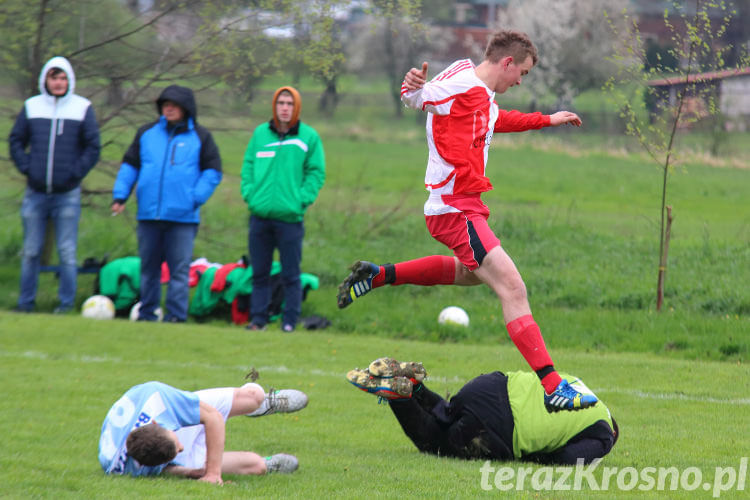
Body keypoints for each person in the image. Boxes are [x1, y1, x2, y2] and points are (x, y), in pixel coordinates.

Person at [337, 30, 591, 413]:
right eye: (521, 73)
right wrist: (411, 88)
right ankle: (553, 386)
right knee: (512, 286)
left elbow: (492, 120)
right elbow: (421, 99)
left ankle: (379, 275)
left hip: (461, 206)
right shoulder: (461, 83)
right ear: (507, 62)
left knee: (474, 274)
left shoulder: (478, 90)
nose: (520, 81)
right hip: (455, 209)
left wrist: (547, 120)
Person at [347, 357, 618, 465]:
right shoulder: (604, 435)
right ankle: (400, 395)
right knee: (437, 443)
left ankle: (415, 388)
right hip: (501, 426)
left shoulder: (582, 388)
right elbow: (568, 458)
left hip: (491, 385)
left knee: (450, 413)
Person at [111, 85, 222, 323]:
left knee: (179, 272)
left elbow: (212, 171)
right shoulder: (146, 133)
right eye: (165, 104)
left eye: (173, 104)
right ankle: (147, 314)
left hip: (183, 218)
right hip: (149, 215)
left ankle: (175, 317)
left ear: (186, 108)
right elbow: (130, 166)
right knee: (149, 270)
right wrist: (120, 196)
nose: (168, 108)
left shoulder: (201, 137)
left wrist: (195, 198)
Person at [8, 56, 101, 313]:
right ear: (45, 80)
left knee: (67, 252)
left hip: (67, 193)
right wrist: (28, 169)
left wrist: (75, 173)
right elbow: (16, 140)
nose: (58, 83)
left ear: (69, 80)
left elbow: (93, 147)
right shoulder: (32, 106)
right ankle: (25, 303)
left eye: (62, 78)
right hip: (35, 192)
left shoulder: (82, 107)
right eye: (53, 77)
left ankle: (65, 305)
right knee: (30, 251)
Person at [98, 381, 309, 483]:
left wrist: (213, 474)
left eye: (176, 444)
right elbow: (163, 470)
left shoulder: (160, 399)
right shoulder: (126, 467)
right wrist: (189, 472)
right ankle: (268, 463)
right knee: (257, 466)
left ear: (158, 424)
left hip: (172, 411)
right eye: (177, 452)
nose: (181, 447)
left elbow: (213, 417)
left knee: (253, 397)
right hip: (158, 432)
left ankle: (263, 404)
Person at [241, 86, 325, 332]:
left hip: (289, 218)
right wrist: (250, 194)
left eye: (289, 103)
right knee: (259, 273)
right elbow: (248, 166)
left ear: (296, 107)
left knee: (290, 274)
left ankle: (289, 321)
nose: (285, 108)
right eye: (281, 103)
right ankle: (258, 320)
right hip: (260, 216)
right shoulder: (260, 134)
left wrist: (301, 199)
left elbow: (316, 173)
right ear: (274, 107)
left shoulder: (308, 137)